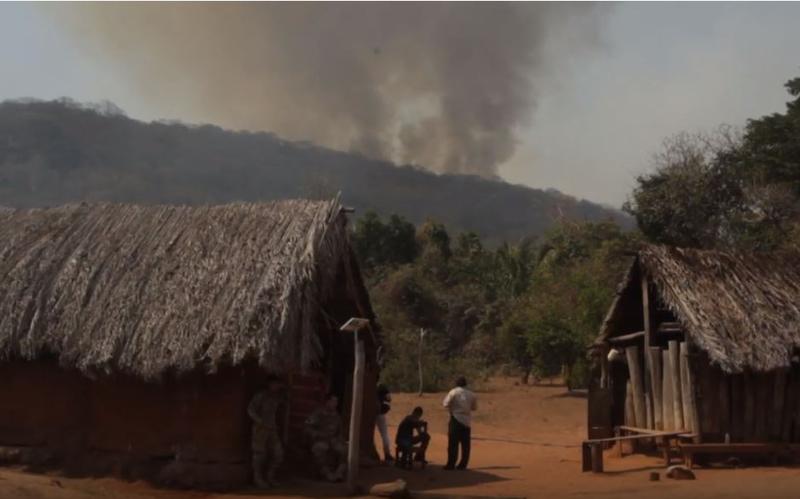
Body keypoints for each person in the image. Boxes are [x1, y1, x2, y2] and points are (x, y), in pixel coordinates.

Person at [247, 377, 287, 488]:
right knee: (259, 455)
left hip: (272, 429)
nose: (276, 386)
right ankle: (257, 478)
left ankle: (270, 476)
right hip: (260, 429)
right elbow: (250, 409)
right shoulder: (261, 396)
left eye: (277, 384)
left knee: (278, 454)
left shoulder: (278, 396)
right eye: (274, 384)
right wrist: (259, 420)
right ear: (269, 384)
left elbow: (286, 401)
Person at [305, 393, 347, 482]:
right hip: (320, 440)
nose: (335, 403)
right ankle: (328, 474)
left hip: (333, 440)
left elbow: (339, 432)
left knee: (344, 450)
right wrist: (317, 434)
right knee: (320, 449)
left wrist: (340, 439)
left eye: (336, 401)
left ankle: (338, 473)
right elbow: (307, 428)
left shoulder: (337, 416)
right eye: (333, 401)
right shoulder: (318, 414)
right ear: (327, 402)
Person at [442, 376, 477, 470]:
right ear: (465, 384)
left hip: (455, 419)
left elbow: (445, 404)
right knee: (465, 445)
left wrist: (453, 407)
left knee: (453, 443)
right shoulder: (472, 394)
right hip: (466, 421)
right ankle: (463, 464)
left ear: (456, 383)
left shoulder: (453, 392)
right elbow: (474, 408)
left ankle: (451, 464)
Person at [376, 383, 393, 462]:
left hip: (370, 413)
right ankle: (387, 454)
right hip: (379, 413)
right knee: (385, 435)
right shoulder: (382, 386)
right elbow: (389, 398)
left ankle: (385, 454)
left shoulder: (368, 385)